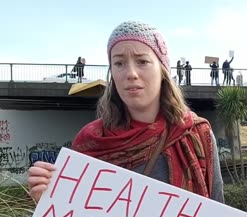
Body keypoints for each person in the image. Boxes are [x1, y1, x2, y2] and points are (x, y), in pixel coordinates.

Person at [27, 21, 224, 205]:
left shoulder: (196, 134)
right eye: (119, 63)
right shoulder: (91, 142)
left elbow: (218, 213)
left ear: (163, 69)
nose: (130, 73)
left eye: (142, 62)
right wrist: (48, 198)